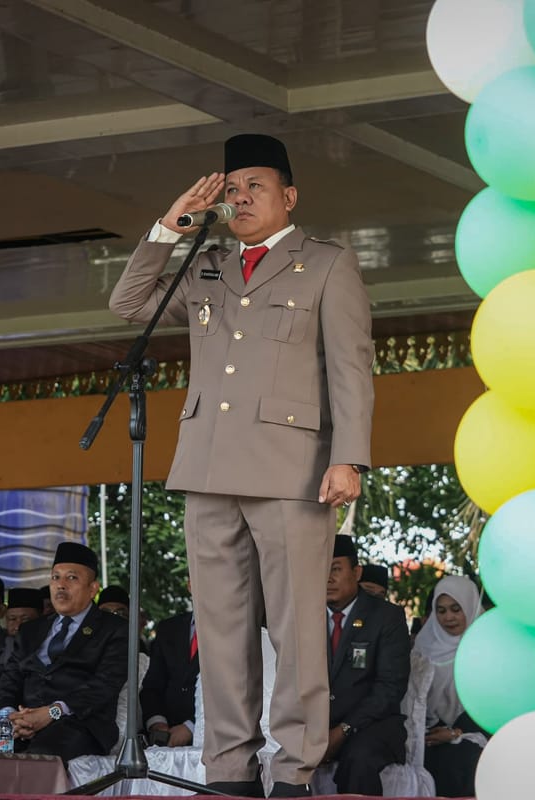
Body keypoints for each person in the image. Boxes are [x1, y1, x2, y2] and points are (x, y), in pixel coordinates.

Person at [110, 133, 374, 797]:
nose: (240, 197)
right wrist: (172, 227)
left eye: (255, 186)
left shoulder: (327, 265)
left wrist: (350, 458)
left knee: (296, 633)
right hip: (206, 470)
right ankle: (229, 772)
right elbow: (127, 303)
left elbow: (351, 368)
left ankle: (292, 772)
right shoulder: (208, 264)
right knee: (221, 635)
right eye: (231, 189)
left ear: (289, 195)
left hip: (292, 471)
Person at [0, 542, 127, 759]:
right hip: (19, 723)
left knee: (40, 758)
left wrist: (51, 713)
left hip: (78, 725)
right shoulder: (31, 629)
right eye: (55, 577)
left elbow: (104, 685)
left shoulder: (114, 629)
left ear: (93, 589)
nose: (61, 585)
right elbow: (9, 680)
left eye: (72, 578)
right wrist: (9, 717)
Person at [322, 536, 410, 795]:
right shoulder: (306, 615)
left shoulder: (386, 617)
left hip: (373, 725)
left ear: (356, 572)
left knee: (359, 760)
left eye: (336, 569)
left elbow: (390, 688)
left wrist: (343, 730)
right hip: (317, 724)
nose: (327, 578)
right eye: (322, 569)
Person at [413, 575, 487, 797]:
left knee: (461, 760)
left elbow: (493, 706)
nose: (448, 617)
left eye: (456, 609)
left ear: (470, 606)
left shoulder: (486, 649)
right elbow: (413, 703)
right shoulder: (423, 650)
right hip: (431, 735)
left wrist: (456, 734)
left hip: (476, 735)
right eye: (441, 610)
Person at [140, 594, 199, 748]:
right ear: (190, 586)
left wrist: (191, 727)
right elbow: (152, 685)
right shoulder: (168, 628)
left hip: (211, 738)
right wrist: (157, 723)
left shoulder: (233, 630)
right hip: (164, 740)